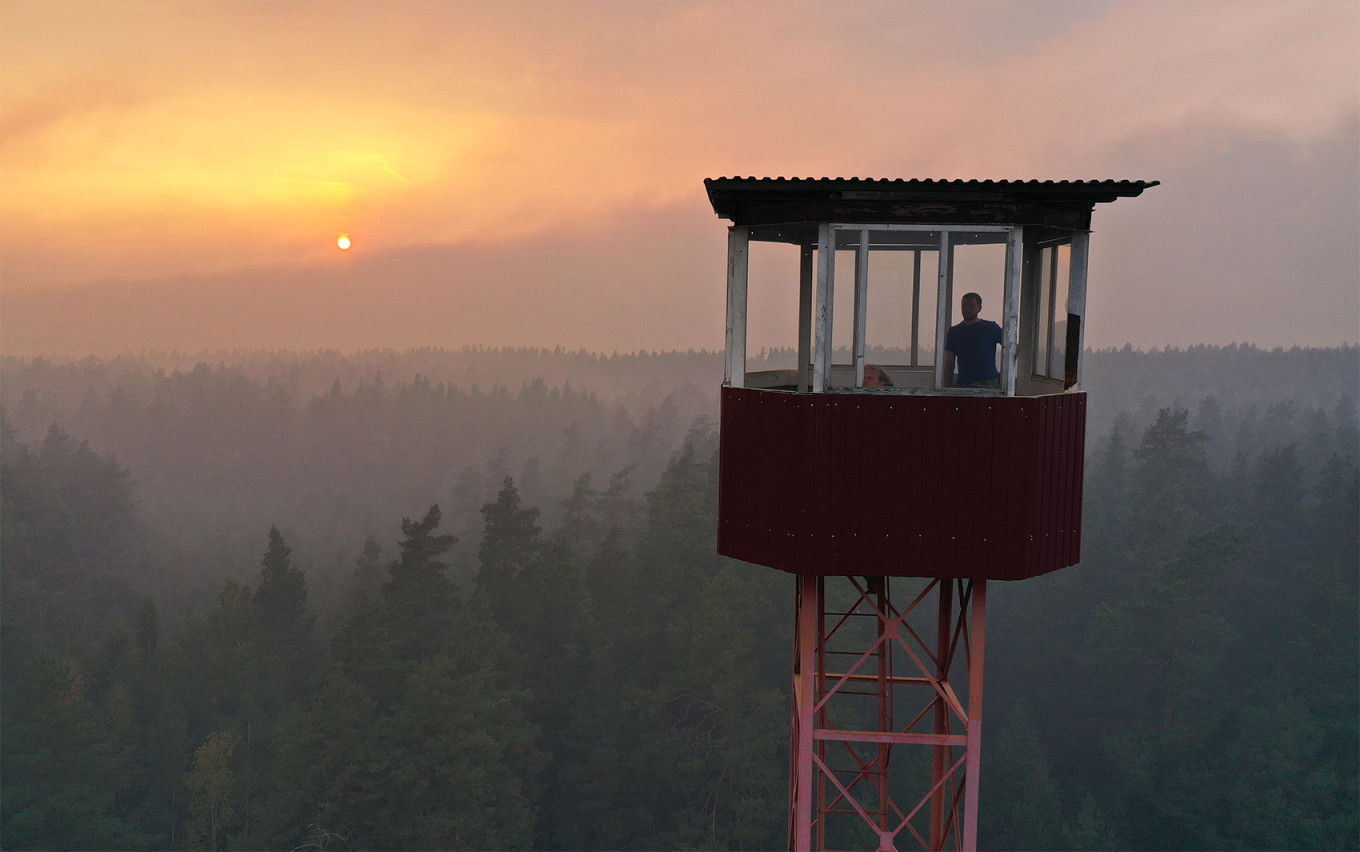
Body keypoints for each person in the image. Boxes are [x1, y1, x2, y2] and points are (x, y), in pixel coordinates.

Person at [943, 292, 1002, 388]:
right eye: (964, 306)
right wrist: (945, 389)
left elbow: (1012, 346)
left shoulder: (991, 328)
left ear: (979, 308)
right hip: (964, 385)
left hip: (988, 385)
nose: (966, 309)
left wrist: (1007, 373)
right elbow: (949, 362)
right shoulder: (954, 332)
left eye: (971, 306)